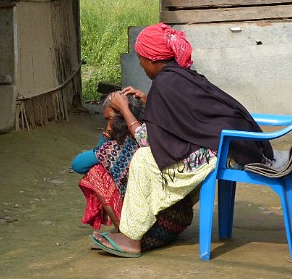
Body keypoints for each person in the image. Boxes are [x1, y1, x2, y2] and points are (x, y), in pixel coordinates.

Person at [91, 23, 274, 257]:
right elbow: (184, 116)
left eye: (141, 59)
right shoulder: (179, 75)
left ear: (153, 60)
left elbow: (147, 140)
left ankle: (130, 238)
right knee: (153, 158)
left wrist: (126, 111)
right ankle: (138, 229)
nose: (140, 64)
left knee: (143, 159)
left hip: (227, 151)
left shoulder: (165, 84)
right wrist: (151, 102)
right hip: (237, 145)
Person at [72, 92, 194, 251]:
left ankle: (124, 237)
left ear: (123, 118)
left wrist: (105, 138)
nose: (108, 126)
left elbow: (77, 164)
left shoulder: (116, 148)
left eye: (110, 119)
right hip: (177, 223)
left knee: (95, 172)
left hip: (152, 232)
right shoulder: (156, 135)